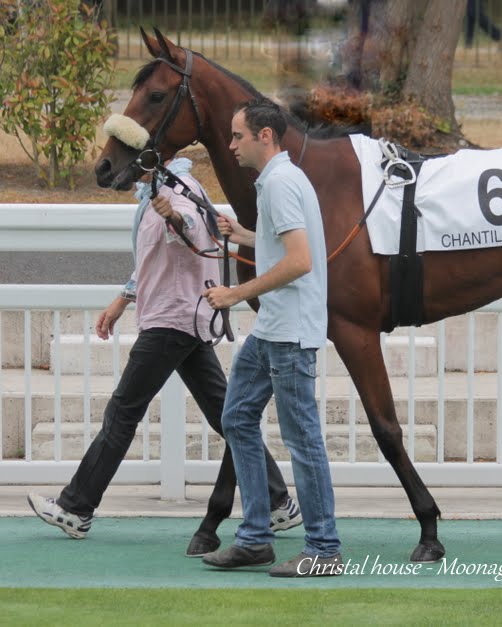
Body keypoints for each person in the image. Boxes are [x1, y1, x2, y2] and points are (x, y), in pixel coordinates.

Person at [27, 155, 301, 546]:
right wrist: (123, 300)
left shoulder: (178, 195)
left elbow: (187, 227)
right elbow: (155, 259)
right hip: (182, 320)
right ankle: (279, 502)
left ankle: (76, 507)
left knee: (122, 413)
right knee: (227, 416)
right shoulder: (169, 190)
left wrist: (173, 216)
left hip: (170, 323)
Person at [200, 99, 342, 577]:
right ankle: (255, 539)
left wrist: (236, 293)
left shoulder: (279, 183)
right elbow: (285, 244)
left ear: (265, 137)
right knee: (237, 417)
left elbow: (299, 260)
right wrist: (243, 233)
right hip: (275, 329)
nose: (231, 144)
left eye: (238, 135)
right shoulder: (281, 179)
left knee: (302, 440)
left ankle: (323, 549)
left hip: (289, 333)